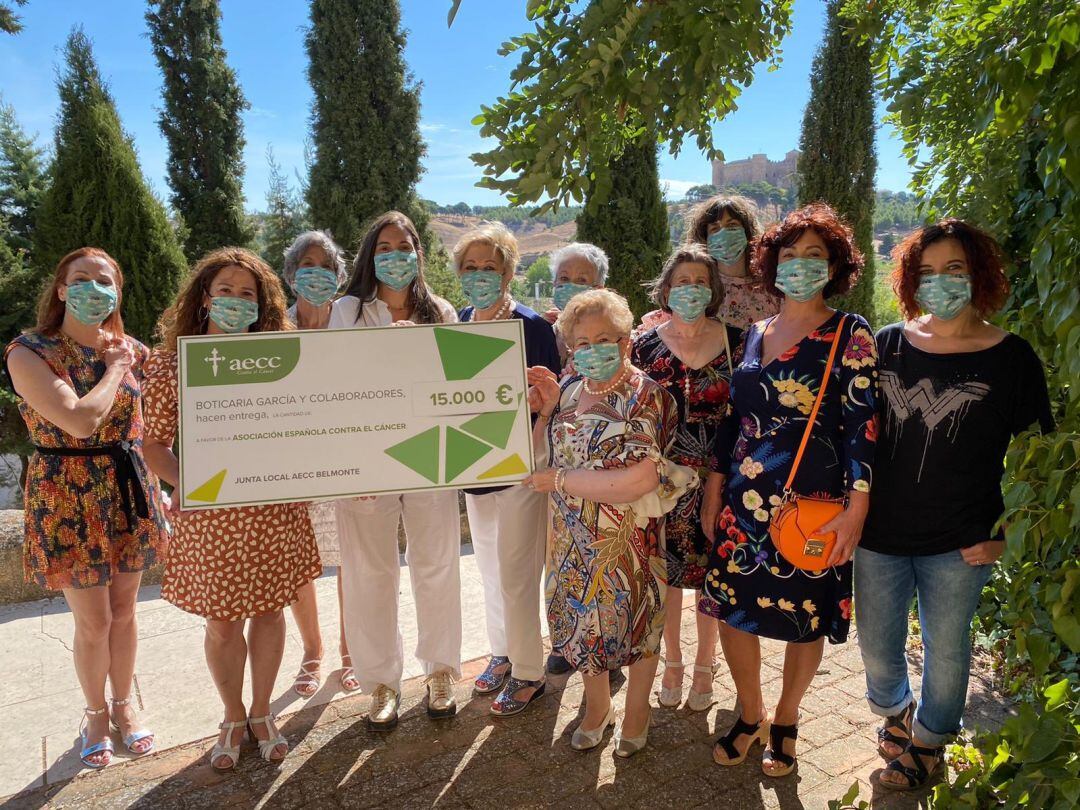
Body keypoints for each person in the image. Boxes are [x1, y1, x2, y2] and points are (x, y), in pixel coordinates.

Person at [856, 220, 1053, 792]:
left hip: (963, 540)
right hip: (880, 534)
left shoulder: (1013, 359)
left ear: (980, 276)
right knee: (877, 646)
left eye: (955, 270)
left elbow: (1038, 460)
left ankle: (930, 742)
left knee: (946, 649)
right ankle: (896, 712)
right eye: (928, 273)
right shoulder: (888, 344)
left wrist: (1007, 532)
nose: (940, 282)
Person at [698, 203, 878, 777]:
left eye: (814, 256)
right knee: (732, 611)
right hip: (743, 506)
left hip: (814, 506)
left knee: (806, 615)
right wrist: (713, 490)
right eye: (790, 255)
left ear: (836, 267)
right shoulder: (754, 334)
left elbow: (862, 426)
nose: (800, 266)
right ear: (772, 264)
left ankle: (787, 718)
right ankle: (749, 714)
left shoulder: (851, 333)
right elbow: (734, 420)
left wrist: (858, 508)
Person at [142, 248, 321, 771]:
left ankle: (263, 713)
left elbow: (310, 429)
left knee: (268, 611)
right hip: (212, 516)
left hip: (274, 510)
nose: (237, 301)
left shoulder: (286, 359)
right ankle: (232, 713)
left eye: (249, 294)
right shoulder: (172, 364)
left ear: (263, 304)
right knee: (223, 623)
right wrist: (203, 485)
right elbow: (154, 446)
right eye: (226, 290)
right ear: (204, 297)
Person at [4, 248, 168, 770]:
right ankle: (95, 713)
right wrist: (117, 367)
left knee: (125, 611)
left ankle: (124, 706)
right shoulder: (29, 351)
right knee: (93, 621)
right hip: (67, 494)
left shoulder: (136, 350)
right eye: (81, 279)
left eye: (105, 281)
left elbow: (159, 420)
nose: (93, 289)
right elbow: (79, 421)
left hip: (127, 489)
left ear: (118, 292)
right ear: (60, 289)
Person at [525, 289, 695, 756]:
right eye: (581, 341)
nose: (592, 349)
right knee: (582, 628)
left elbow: (637, 480)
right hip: (570, 541)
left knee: (638, 627)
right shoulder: (570, 391)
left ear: (625, 341)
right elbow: (538, 461)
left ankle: (637, 709)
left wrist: (559, 479)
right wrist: (543, 413)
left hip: (628, 541)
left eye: (604, 338)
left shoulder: (648, 395)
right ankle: (598, 706)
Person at [329, 211, 463, 728]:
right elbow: (335, 383)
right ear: (370, 255)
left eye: (404, 246)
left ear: (418, 254)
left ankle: (441, 673)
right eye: (384, 247)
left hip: (430, 456)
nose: (395, 256)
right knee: (369, 573)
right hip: (366, 463)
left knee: (437, 565)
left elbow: (453, 385)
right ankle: (381, 684)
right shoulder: (346, 311)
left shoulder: (441, 310)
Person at [455, 221, 562, 715]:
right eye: (471, 267)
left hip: (522, 465)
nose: (480, 276)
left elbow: (552, 402)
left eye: (490, 267)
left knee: (519, 572)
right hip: (473, 466)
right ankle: (502, 653)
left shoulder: (534, 327)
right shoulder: (455, 323)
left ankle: (527, 672)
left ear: (508, 271)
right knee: (491, 569)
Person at [632, 246, 742, 712]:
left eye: (700, 281)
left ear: (713, 289)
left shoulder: (740, 341)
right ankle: (673, 660)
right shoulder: (644, 345)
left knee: (713, 574)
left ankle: (706, 664)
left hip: (722, 476)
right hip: (664, 483)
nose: (691, 289)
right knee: (671, 576)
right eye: (682, 282)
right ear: (667, 289)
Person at [279, 230, 359, 698]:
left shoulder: (354, 317)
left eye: (327, 266)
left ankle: (351, 654)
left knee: (353, 561)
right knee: (299, 565)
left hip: (349, 458)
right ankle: (313, 653)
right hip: (295, 463)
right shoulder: (274, 326)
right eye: (307, 265)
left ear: (338, 276)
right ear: (291, 275)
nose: (317, 273)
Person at [639, 195, 779, 332]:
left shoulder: (770, 286)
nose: (724, 233)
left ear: (747, 233)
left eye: (732, 225)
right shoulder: (700, 286)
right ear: (705, 239)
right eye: (715, 229)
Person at [540, 242, 609, 369]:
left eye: (581, 280)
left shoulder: (610, 334)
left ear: (598, 289)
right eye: (564, 278)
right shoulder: (547, 329)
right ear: (554, 283)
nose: (570, 285)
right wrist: (543, 333)